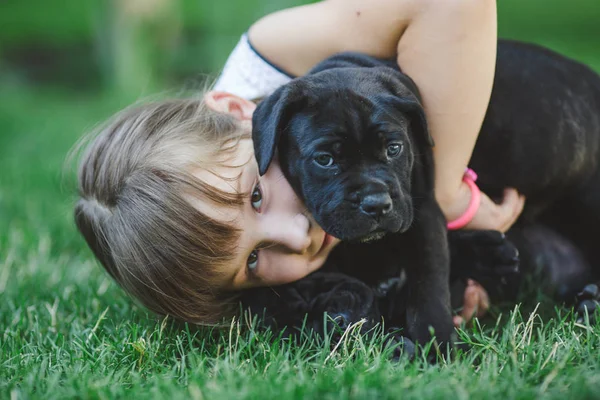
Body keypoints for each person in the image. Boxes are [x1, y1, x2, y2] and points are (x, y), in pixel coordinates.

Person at [74, 0, 524, 327]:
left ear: (236, 111)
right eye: (252, 262)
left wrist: (445, 193)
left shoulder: (271, 53)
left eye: (255, 196)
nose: (295, 236)